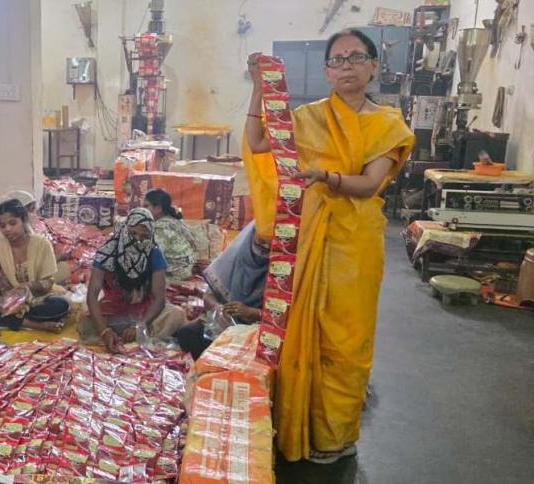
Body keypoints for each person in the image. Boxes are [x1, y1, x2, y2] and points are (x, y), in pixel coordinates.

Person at [244, 30, 415, 464]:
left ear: (373, 65)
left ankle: (335, 434)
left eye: (356, 57)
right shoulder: (310, 117)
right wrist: (258, 90)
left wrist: (325, 176)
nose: (346, 66)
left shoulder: (388, 125)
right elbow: (259, 142)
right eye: (337, 60)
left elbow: (370, 184)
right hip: (308, 235)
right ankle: (293, 422)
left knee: (345, 340)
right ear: (326, 71)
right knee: (299, 330)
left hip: (354, 244)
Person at [80, 207, 187, 353]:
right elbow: (92, 295)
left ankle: (133, 338)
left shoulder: (154, 253)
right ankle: (124, 338)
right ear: (125, 229)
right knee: (86, 324)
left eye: (144, 236)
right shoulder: (107, 251)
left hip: (145, 311)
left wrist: (140, 325)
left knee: (176, 315)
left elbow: (159, 299)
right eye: (133, 233)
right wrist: (104, 330)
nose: (137, 240)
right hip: (114, 310)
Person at [175, 221, 267, 359]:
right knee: (188, 333)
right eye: (260, 243)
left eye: (269, 246)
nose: (264, 249)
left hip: (261, 329)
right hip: (227, 324)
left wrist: (251, 312)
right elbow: (209, 296)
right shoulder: (236, 257)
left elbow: (286, 318)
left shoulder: (283, 271)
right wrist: (219, 309)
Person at [0, 199, 70, 332]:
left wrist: (27, 287)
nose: (7, 229)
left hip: (36, 299)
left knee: (61, 304)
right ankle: (33, 324)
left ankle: (11, 321)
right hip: (7, 300)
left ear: (23, 220)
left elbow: (48, 282)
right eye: (3, 226)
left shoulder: (42, 244)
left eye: (13, 223)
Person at [142, 188, 197, 281]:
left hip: (174, 275)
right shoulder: (174, 221)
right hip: (185, 269)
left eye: (146, 206)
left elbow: (151, 256)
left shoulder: (161, 228)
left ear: (158, 208)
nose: (142, 210)